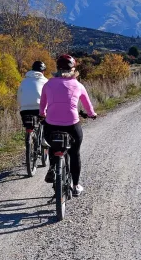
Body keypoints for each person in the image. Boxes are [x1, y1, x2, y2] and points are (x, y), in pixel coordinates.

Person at [39, 54, 97, 196]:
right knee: (74, 153)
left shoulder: (48, 84)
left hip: (51, 124)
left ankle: (53, 166)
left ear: (57, 69)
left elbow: (42, 106)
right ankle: (76, 186)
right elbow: (88, 107)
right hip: (72, 124)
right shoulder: (78, 85)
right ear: (73, 69)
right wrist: (92, 114)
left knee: (53, 145)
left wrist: (43, 114)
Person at [17, 60, 48, 125]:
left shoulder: (24, 81)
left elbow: (19, 96)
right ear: (42, 71)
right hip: (39, 110)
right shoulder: (45, 81)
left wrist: (22, 106)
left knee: (29, 125)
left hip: (24, 111)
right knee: (46, 125)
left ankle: (29, 134)